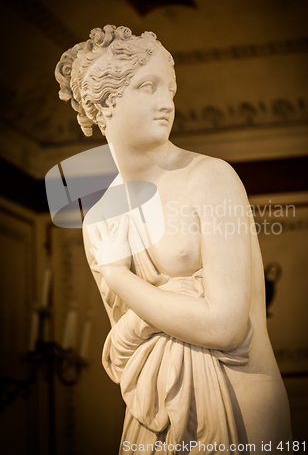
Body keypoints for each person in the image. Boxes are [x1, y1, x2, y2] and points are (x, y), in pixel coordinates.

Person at [55, 25, 292, 454]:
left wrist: (120, 277)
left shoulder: (210, 179)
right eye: (149, 87)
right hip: (154, 417)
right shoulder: (101, 220)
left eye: (171, 89)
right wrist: (182, 298)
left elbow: (225, 325)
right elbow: (125, 356)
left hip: (240, 405)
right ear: (106, 104)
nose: (167, 103)